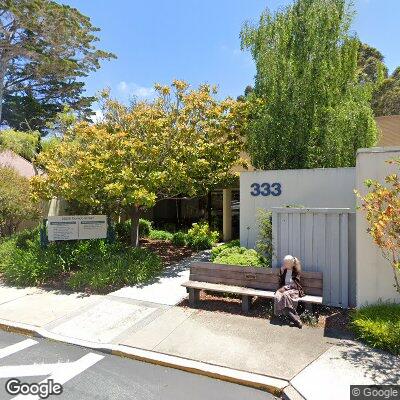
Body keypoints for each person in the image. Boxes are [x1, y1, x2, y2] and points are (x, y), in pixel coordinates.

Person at [274, 255, 305, 328]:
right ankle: (295, 319)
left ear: (291, 263)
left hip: (294, 290)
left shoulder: (296, 271)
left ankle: (294, 319)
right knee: (278, 296)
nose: (284, 264)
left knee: (285, 295)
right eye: (284, 262)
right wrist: (281, 272)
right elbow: (280, 282)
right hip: (284, 290)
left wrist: (285, 288)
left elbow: (295, 284)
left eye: (286, 263)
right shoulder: (284, 270)